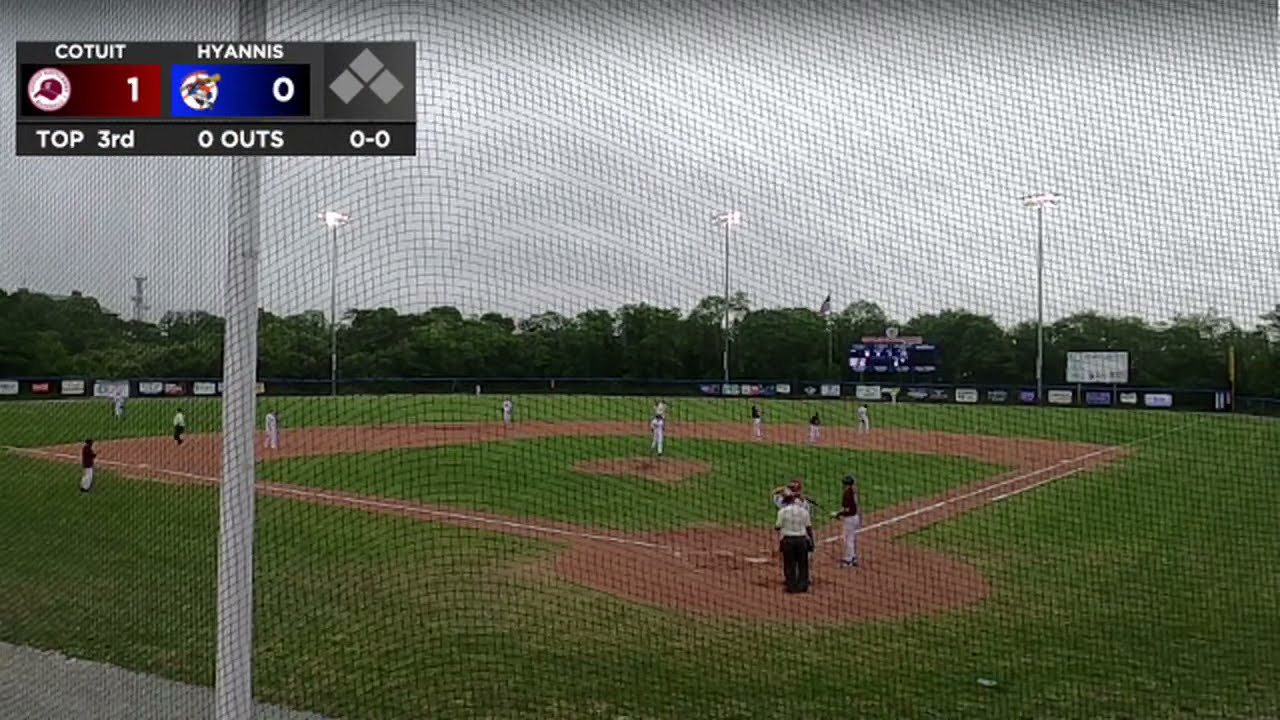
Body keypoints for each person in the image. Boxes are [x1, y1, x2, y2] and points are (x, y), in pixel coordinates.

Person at [776, 493, 814, 593]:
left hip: (788, 541)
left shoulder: (782, 511)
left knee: (789, 564)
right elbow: (809, 528)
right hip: (802, 540)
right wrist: (812, 541)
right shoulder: (804, 511)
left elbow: (778, 526)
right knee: (803, 564)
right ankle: (803, 586)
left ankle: (791, 587)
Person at [832, 474, 861, 567]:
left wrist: (837, 514)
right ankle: (853, 557)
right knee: (851, 538)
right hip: (855, 517)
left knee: (848, 539)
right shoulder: (853, 491)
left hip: (850, 519)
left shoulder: (847, 494)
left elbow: (847, 510)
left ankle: (848, 560)